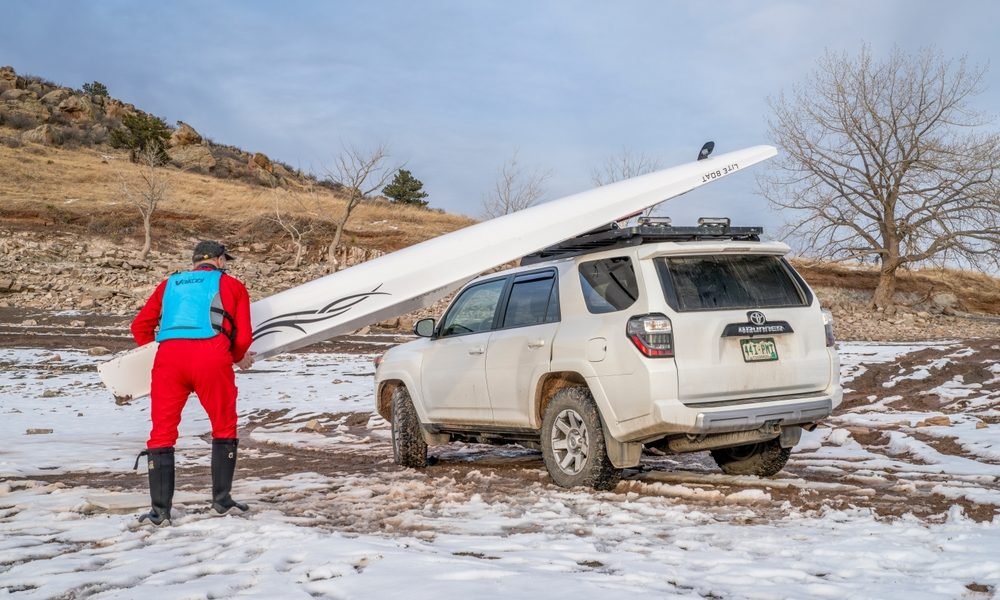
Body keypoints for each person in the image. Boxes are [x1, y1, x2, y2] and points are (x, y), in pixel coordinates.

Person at [130, 240, 255, 525]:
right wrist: (237, 356)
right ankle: (221, 502)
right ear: (221, 261)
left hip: (169, 362)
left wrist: (161, 351)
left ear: (195, 262)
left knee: (162, 432)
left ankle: (159, 512)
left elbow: (139, 326)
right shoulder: (233, 286)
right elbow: (244, 337)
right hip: (211, 358)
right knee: (223, 426)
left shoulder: (169, 285)